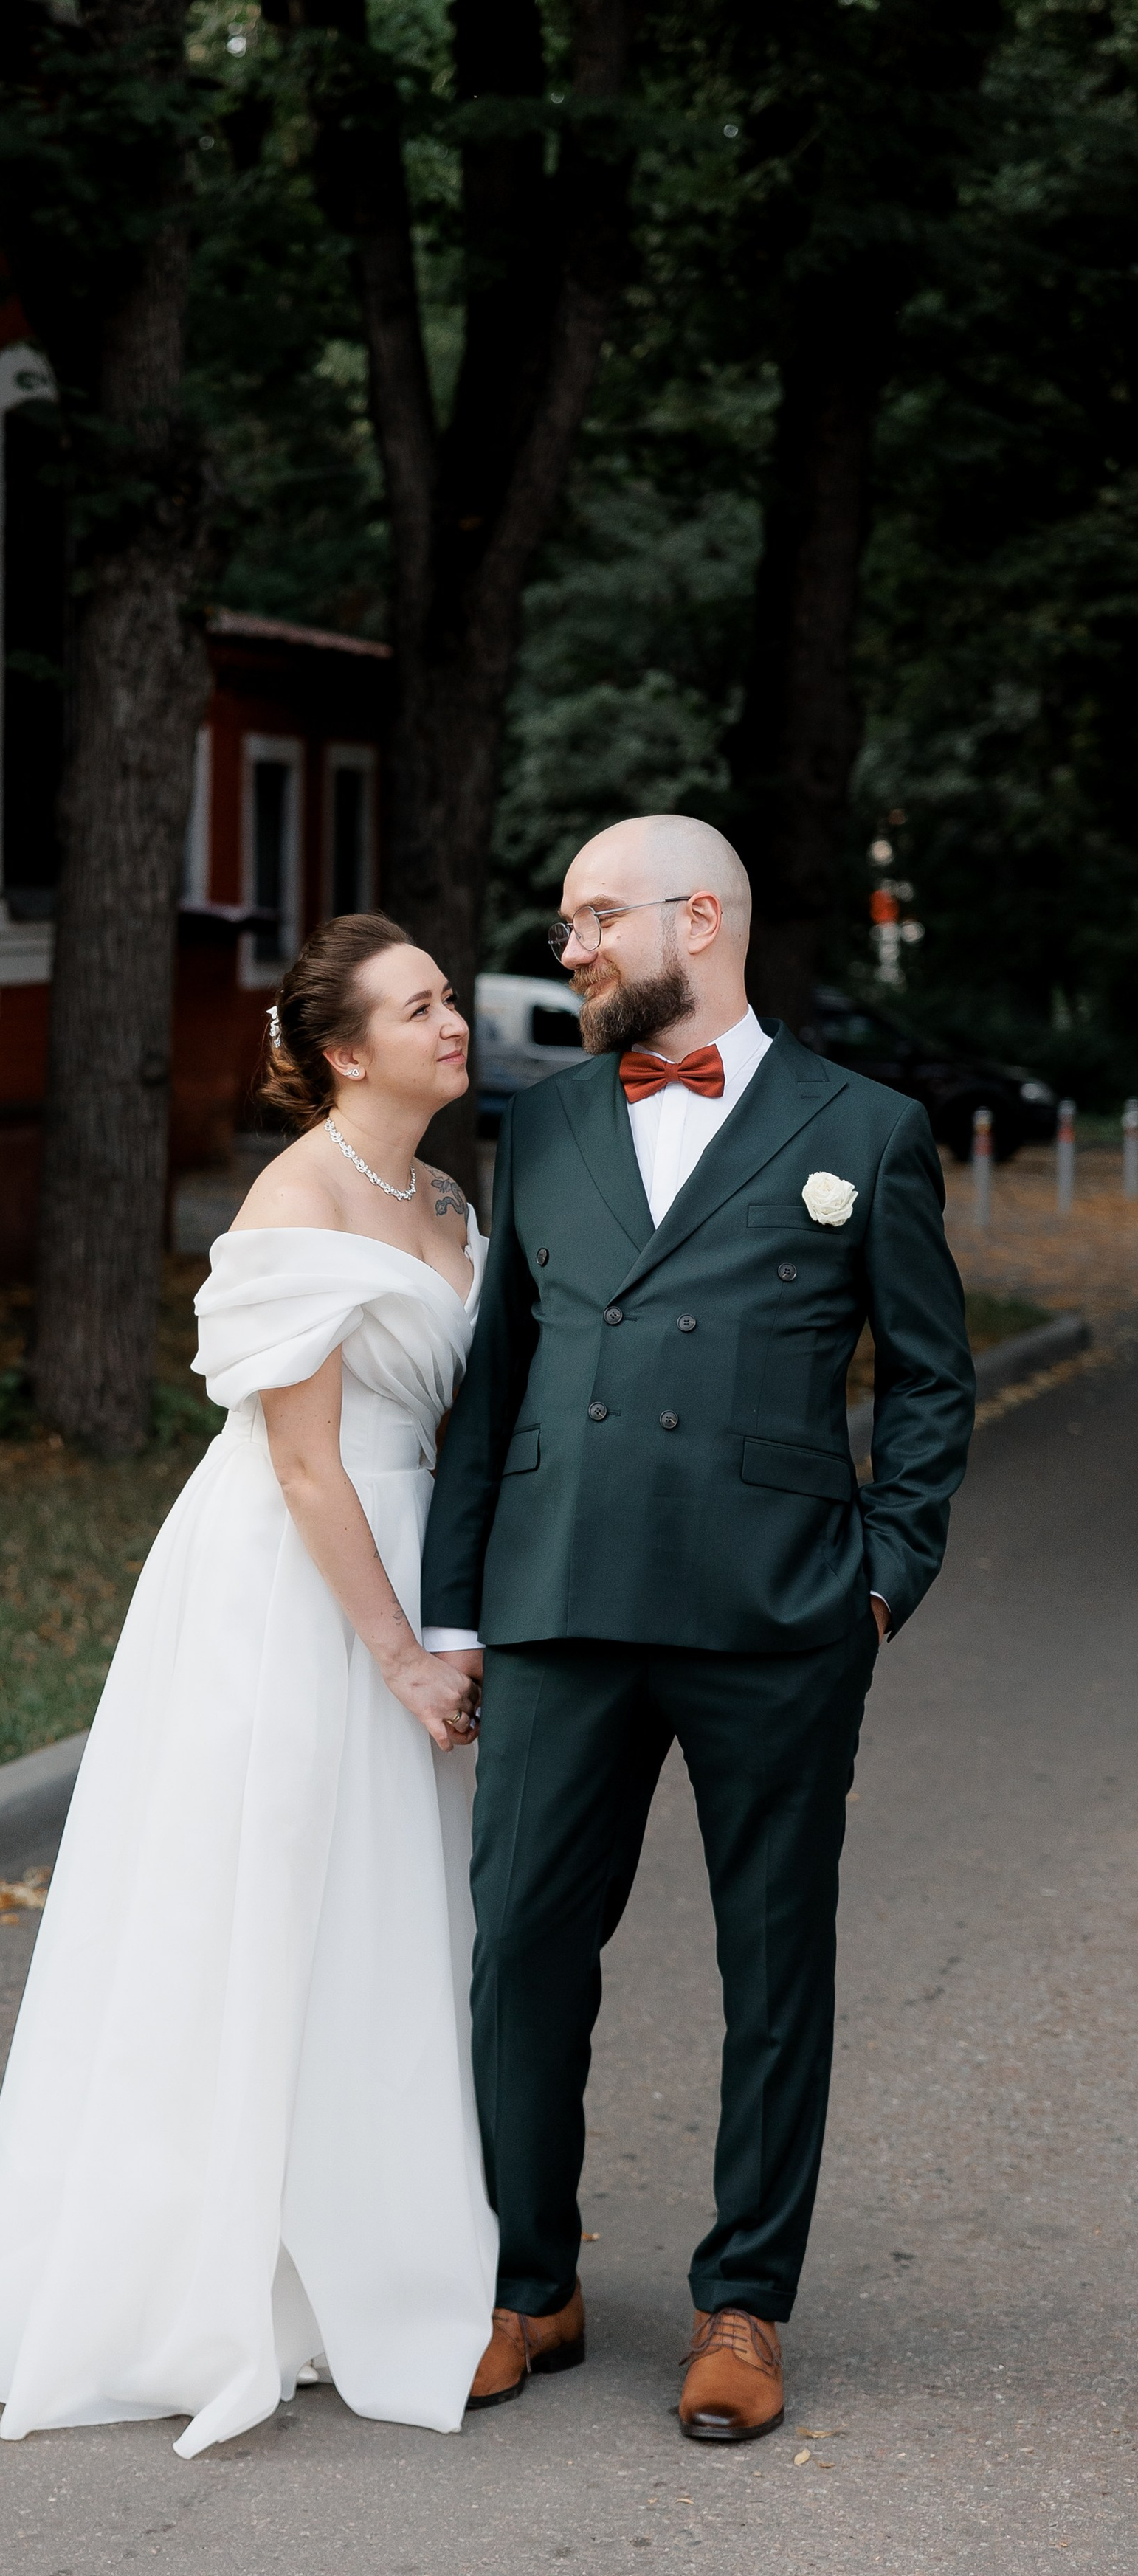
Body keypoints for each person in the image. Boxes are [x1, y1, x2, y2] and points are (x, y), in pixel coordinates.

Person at [420, 814, 976, 2443]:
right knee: (519, 1946)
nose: (570, 946)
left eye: (596, 918)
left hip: (774, 1612)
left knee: (770, 1960)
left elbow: (928, 1386)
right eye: (569, 919)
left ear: (700, 920)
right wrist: (454, 1612)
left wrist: (880, 1575)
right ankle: (530, 2280)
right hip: (555, 1602)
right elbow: (490, 1388)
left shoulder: (861, 1129)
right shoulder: (543, 1121)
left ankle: (744, 2300)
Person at [0, 913, 497, 2455]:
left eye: (448, 997)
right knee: (259, 1897)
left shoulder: (446, 1193)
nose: (450, 1022)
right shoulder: (291, 1198)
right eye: (416, 1007)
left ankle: (365, 2240)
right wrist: (394, 1650)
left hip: (416, 1567)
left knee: (384, 1913)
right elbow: (308, 1466)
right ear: (340, 1053)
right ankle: (209, 2277)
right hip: (295, 1580)